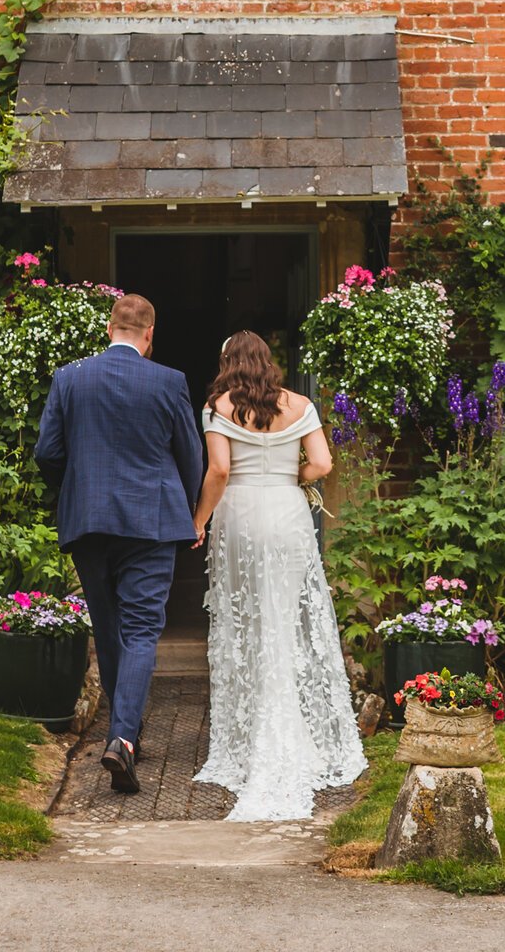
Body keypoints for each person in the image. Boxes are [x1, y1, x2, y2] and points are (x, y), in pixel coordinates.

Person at [189, 330, 367, 821]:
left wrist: (200, 519)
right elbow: (323, 464)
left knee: (247, 625)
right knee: (282, 624)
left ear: (227, 362)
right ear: (268, 362)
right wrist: (293, 476)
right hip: (287, 515)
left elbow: (219, 470)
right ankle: (293, 730)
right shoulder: (301, 405)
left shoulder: (217, 407)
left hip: (241, 516)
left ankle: (251, 740)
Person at [33, 292, 202, 796]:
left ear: (110, 329)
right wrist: (191, 513)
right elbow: (190, 456)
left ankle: (122, 732)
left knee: (109, 629)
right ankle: (123, 738)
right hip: (151, 521)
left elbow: (47, 452)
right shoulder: (169, 381)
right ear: (149, 335)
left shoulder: (70, 378)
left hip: (89, 520)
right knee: (143, 628)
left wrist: (78, 486)